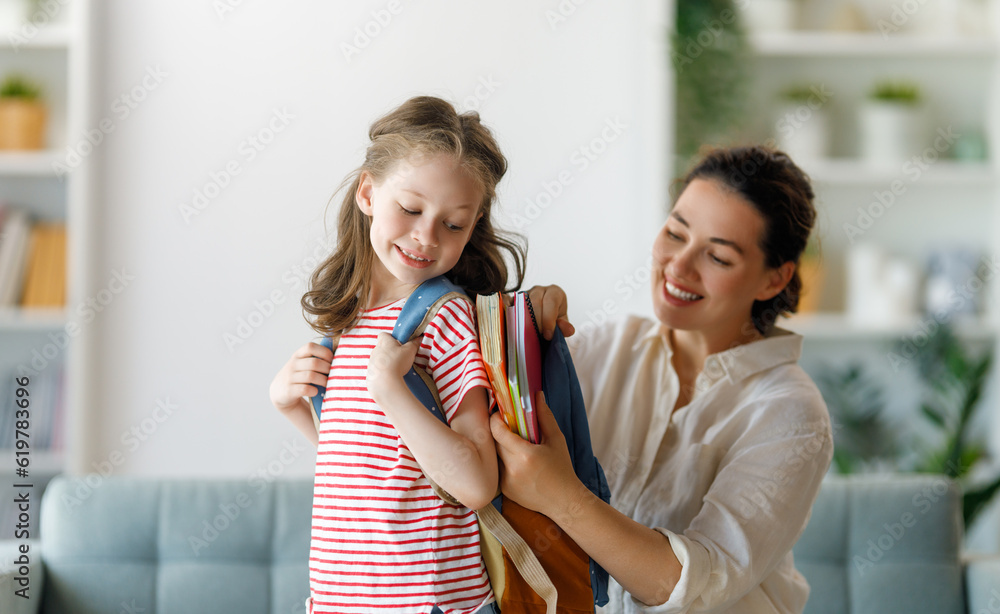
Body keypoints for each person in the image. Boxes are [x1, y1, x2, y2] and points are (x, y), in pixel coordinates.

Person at [494, 146, 834, 613]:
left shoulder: (791, 414)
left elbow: (687, 584)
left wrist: (561, 496)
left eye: (717, 257)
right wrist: (520, 327)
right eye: (676, 233)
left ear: (773, 280)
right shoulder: (601, 350)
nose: (679, 265)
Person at [268, 96, 525, 614]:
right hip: (342, 600)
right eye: (410, 209)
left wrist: (388, 389)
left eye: (454, 224)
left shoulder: (442, 317)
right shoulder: (349, 318)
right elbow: (373, 467)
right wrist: (291, 406)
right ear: (368, 191)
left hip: (427, 602)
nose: (426, 236)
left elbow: (476, 483)